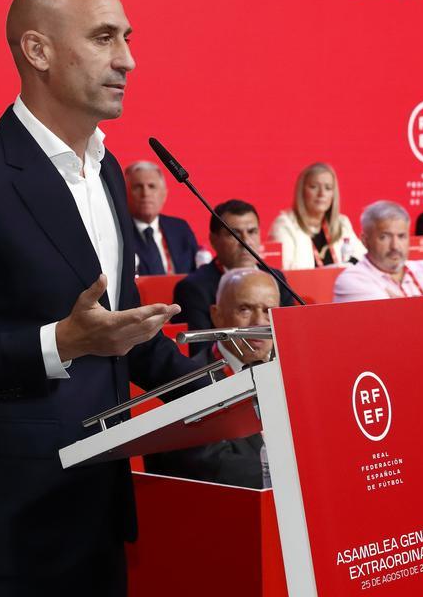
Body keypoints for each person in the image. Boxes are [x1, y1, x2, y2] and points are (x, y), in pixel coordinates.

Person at [0, 0, 207, 594]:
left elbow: (115, 329)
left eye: (127, 38)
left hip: (96, 513)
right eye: (103, 38)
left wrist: (225, 381)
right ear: (37, 51)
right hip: (1, 531)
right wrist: (60, 343)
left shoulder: (108, 171)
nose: (128, 58)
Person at [144, 268, 275, 487]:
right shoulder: (189, 380)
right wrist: (294, 474)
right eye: (245, 310)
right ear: (217, 315)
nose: (258, 322)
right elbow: (209, 464)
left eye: (268, 310)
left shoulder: (294, 372)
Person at [333, 200, 423, 338]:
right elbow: (391, 332)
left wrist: (411, 306)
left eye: (401, 236)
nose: (395, 246)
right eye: (384, 237)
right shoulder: (352, 279)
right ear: (365, 240)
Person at [172, 199, 296, 347]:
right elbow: (200, 350)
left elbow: (291, 335)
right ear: (213, 240)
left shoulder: (276, 278)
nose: (245, 241)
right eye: (234, 234)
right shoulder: (193, 289)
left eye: (252, 232)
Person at [268, 162, 364, 269]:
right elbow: (284, 272)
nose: (321, 194)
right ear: (302, 191)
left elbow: (362, 258)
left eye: (328, 188)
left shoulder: (342, 223)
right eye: (314, 187)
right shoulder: (285, 225)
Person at [124, 160, 199, 275]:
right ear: (124, 194)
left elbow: (197, 274)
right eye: (138, 187)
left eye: (152, 186)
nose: (146, 193)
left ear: (164, 194)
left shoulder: (180, 228)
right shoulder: (118, 231)